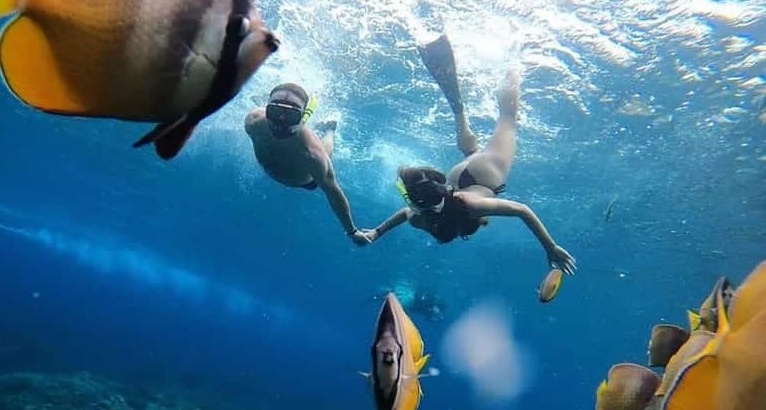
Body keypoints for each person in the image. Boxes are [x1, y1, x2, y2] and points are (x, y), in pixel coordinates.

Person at [361, 34, 576, 275]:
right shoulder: (421, 216)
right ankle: (459, 112)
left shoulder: (470, 207)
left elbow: (522, 210)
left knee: (508, 118)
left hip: (487, 174)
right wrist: (376, 232)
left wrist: (551, 247)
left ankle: (515, 62)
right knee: (471, 151)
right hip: (458, 177)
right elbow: (404, 213)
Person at [245, 83, 370, 246]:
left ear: (304, 117)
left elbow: (333, 193)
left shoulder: (312, 155)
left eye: (290, 116)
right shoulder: (253, 121)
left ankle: (330, 130)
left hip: (307, 182)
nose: (281, 121)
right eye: (275, 112)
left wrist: (352, 231)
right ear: (266, 109)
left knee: (325, 152)